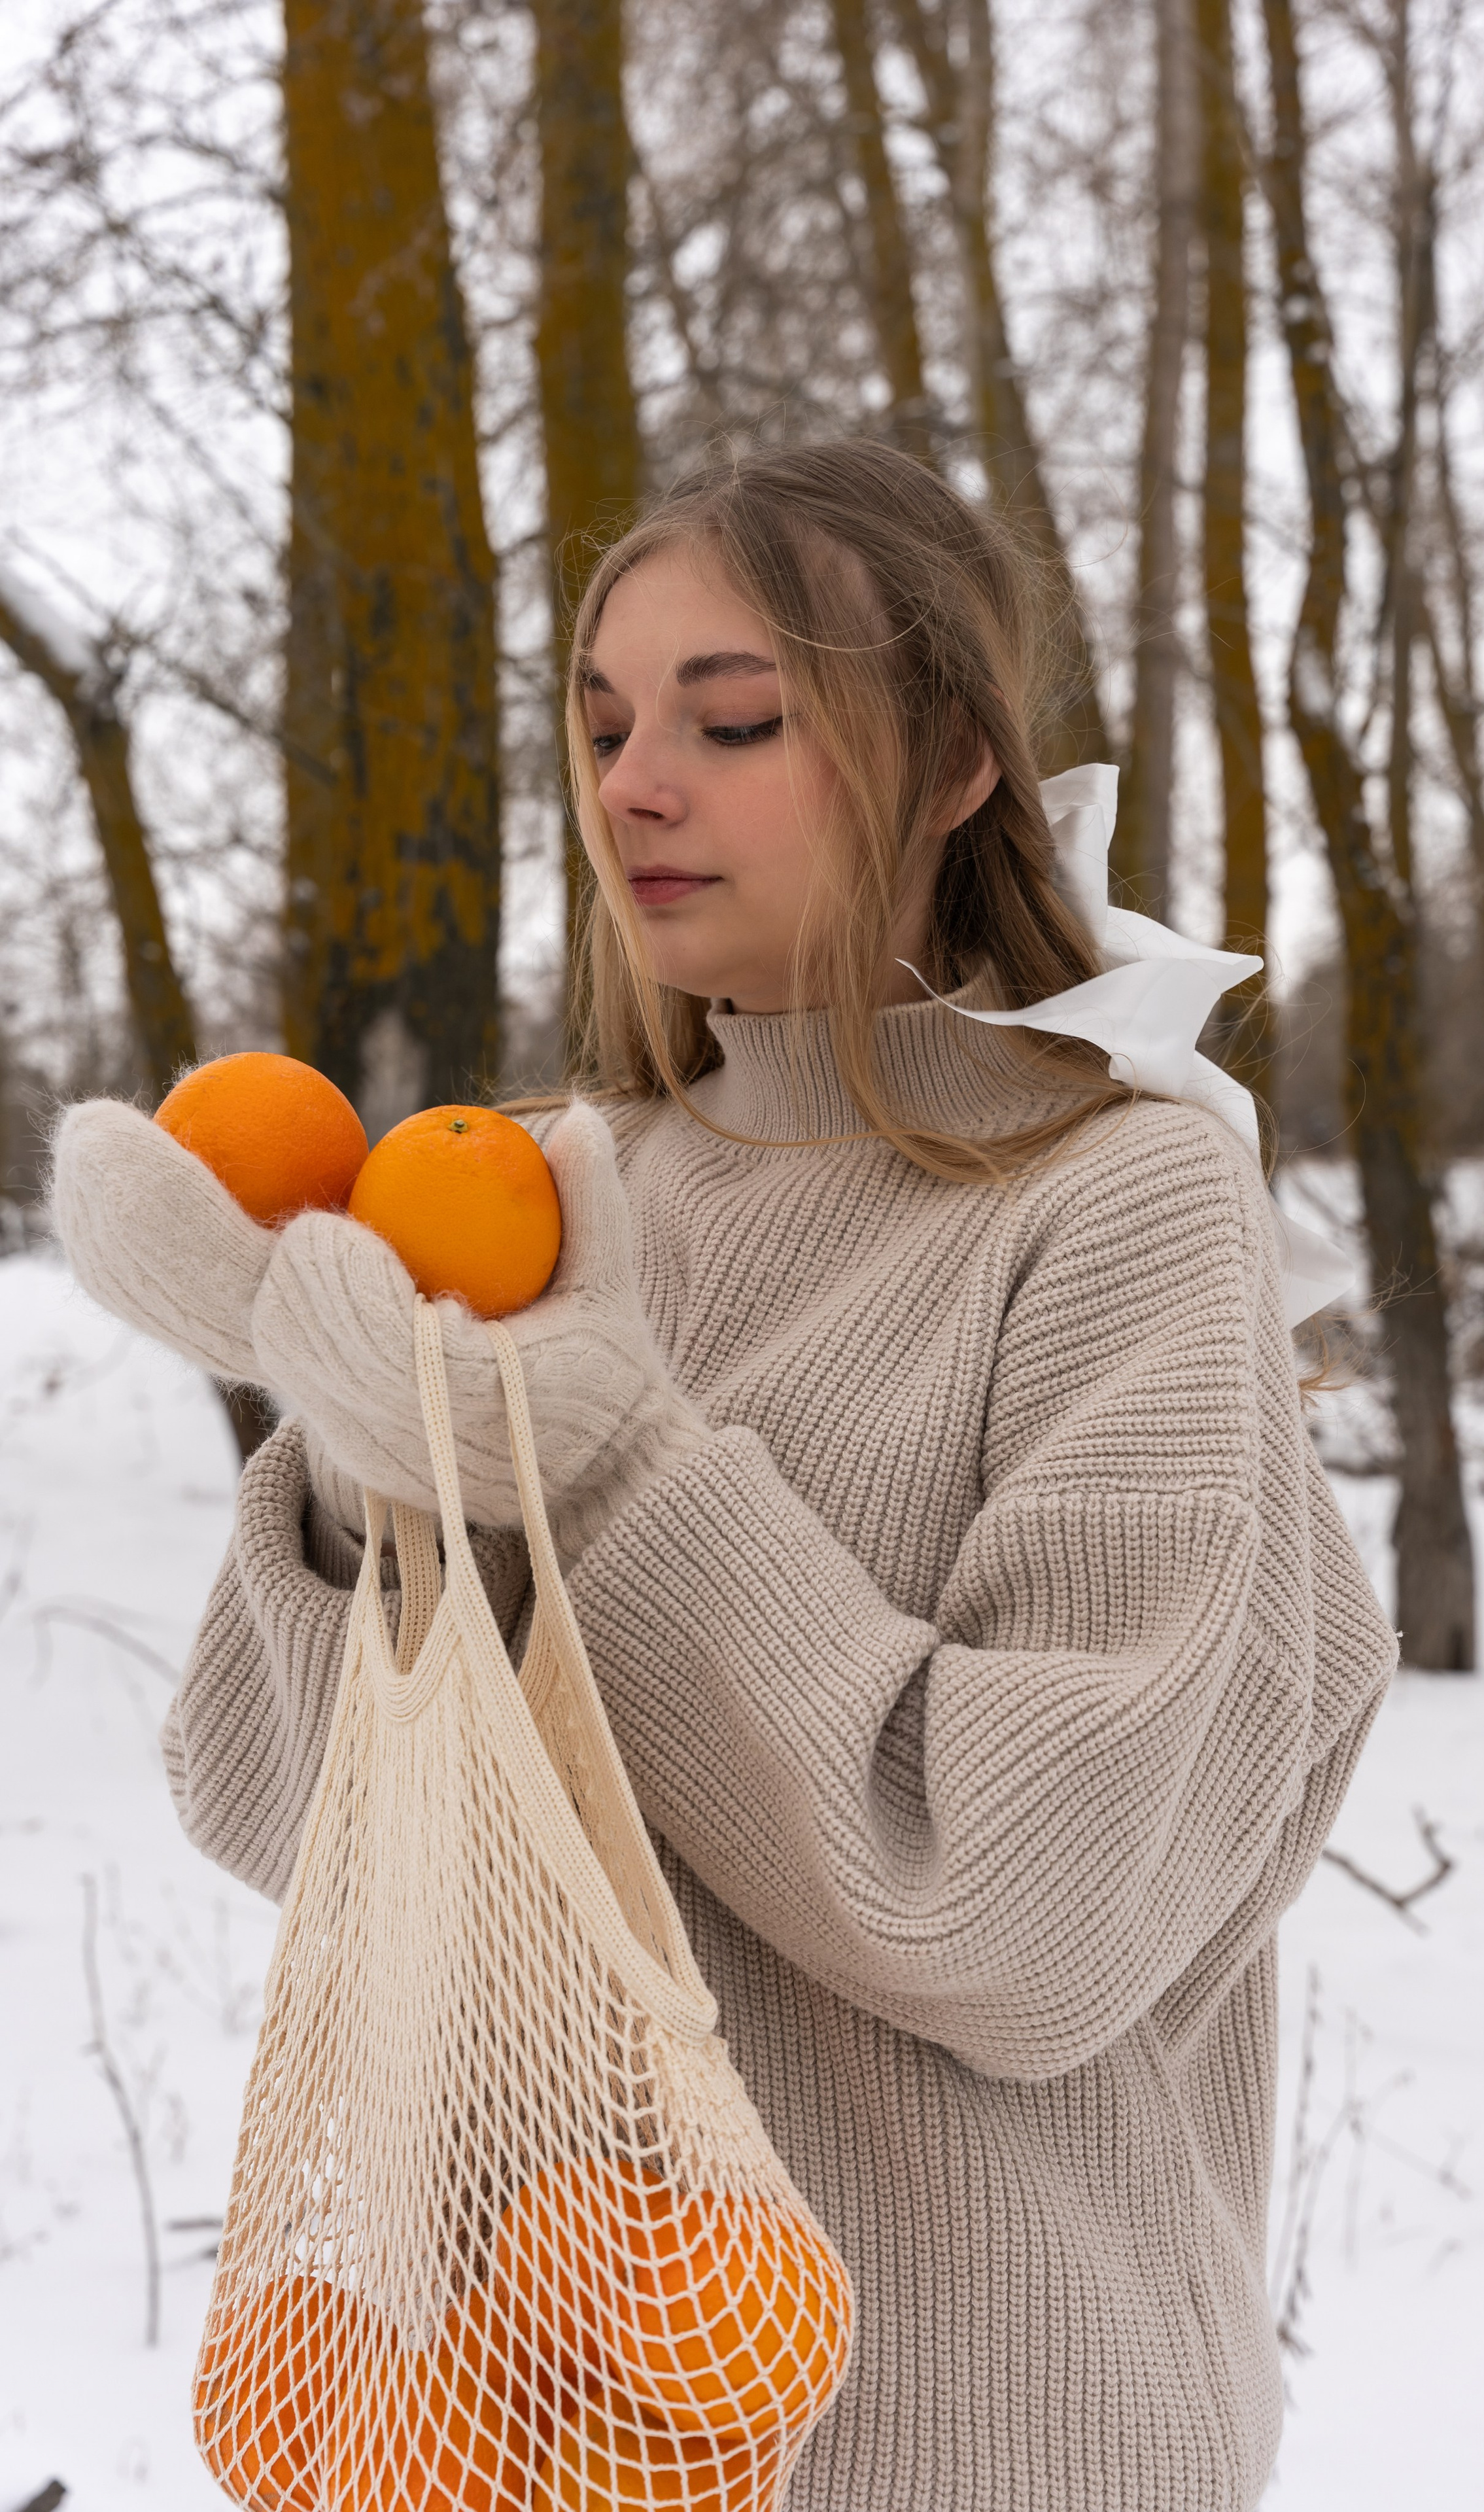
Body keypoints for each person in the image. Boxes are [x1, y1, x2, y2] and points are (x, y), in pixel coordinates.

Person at [54, 438, 1395, 2511]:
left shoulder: (1119, 1205)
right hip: (536, 2424)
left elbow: (1030, 1910)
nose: (635, 786)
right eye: (603, 725)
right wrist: (346, 1450)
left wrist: (605, 1464)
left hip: (979, 2442)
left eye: (734, 720)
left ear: (954, 762)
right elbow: (278, 1809)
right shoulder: (544, 1193)